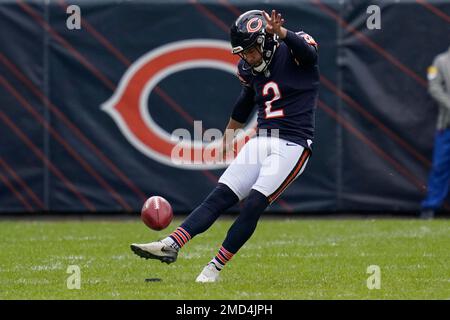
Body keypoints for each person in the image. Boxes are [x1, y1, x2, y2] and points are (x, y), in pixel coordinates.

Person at [130, 9, 319, 282]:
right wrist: (228, 135)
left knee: (254, 203)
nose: (248, 57)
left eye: (252, 50)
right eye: (244, 52)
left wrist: (282, 34)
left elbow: (310, 55)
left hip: (293, 143)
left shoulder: (294, 49)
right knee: (220, 195)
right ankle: (171, 244)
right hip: (262, 138)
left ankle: (213, 269)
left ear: (267, 41)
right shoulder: (247, 68)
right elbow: (245, 100)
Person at [420, 46, 450, 219]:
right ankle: (430, 207)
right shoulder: (441, 61)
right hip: (446, 126)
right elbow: (434, 87)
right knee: (440, 167)